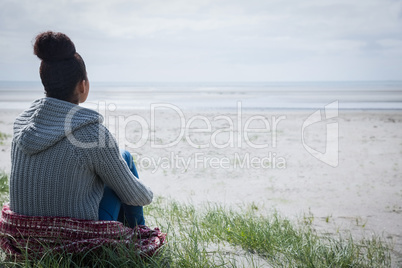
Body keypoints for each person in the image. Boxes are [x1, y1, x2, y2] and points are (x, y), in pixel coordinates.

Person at [9, 31, 152, 228]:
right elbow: (137, 197)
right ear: (82, 86)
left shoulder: (21, 128)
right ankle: (140, 235)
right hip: (76, 236)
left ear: (45, 83)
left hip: (25, 236)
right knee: (124, 157)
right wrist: (148, 193)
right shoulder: (92, 135)